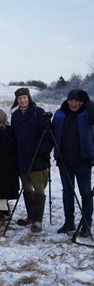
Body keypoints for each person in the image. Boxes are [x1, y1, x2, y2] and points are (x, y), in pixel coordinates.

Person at [53, 89, 94, 237]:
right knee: (67, 192)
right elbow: (52, 133)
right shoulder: (59, 113)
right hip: (64, 160)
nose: (73, 103)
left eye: (77, 100)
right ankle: (69, 222)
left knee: (85, 192)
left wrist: (89, 102)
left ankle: (86, 223)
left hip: (83, 159)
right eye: (71, 100)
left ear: (82, 102)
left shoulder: (87, 112)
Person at [10, 88, 50, 232]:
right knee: (26, 187)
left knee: (39, 187)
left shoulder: (38, 112)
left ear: (29, 98)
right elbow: (13, 136)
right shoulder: (14, 115)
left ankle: (38, 221)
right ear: (17, 100)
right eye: (20, 98)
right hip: (22, 157)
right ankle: (31, 216)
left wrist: (43, 154)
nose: (22, 100)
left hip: (36, 156)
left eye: (25, 98)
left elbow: (45, 135)